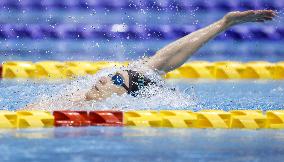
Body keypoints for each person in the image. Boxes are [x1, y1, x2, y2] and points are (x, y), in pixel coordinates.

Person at [24, 10, 276, 109]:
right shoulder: (73, 98)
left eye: (114, 79)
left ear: (125, 94)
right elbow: (162, 60)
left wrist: (225, 24)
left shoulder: (122, 108)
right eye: (111, 74)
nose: (101, 80)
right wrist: (223, 23)